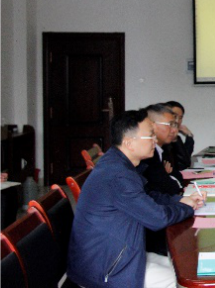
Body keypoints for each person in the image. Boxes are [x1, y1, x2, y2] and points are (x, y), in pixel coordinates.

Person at [67, 109, 204, 288]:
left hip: (117, 253)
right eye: (150, 135)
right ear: (129, 142)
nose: (155, 140)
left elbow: (148, 197)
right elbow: (158, 218)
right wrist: (187, 207)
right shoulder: (118, 175)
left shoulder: (118, 163)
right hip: (106, 270)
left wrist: (180, 201)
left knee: (186, 267)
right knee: (184, 281)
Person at [143, 104, 183, 196]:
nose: (174, 130)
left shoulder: (163, 149)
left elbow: (178, 177)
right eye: (170, 124)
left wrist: (167, 175)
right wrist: (166, 175)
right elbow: (167, 188)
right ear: (152, 125)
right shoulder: (147, 154)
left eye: (175, 125)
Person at [164, 100, 194, 171]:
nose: (177, 121)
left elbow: (185, 160)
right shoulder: (162, 138)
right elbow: (181, 165)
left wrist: (189, 136)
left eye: (180, 118)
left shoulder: (175, 138)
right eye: (174, 116)